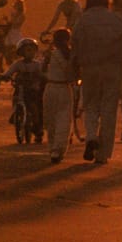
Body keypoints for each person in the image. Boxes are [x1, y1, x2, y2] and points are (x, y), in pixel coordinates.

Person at [72, 0, 122, 164]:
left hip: (89, 68)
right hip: (112, 68)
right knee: (109, 110)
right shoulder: (118, 20)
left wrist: (74, 68)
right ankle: (103, 153)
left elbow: (75, 45)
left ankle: (91, 137)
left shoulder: (83, 20)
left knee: (91, 105)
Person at [42, 28, 79, 162]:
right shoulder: (71, 55)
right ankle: (58, 150)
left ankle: (52, 148)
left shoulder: (50, 55)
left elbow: (41, 70)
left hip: (50, 87)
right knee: (63, 120)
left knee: (51, 120)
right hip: (65, 88)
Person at [2, 38, 47, 143]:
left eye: (32, 50)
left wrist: (43, 77)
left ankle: (38, 129)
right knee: (15, 99)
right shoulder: (18, 64)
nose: (30, 52)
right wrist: (4, 76)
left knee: (35, 108)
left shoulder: (37, 65)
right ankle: (15, 113)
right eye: (27, 50)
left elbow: (42, 74)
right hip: (20, 89)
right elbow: (9, 72)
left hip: (33, 91)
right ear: (21, 52)